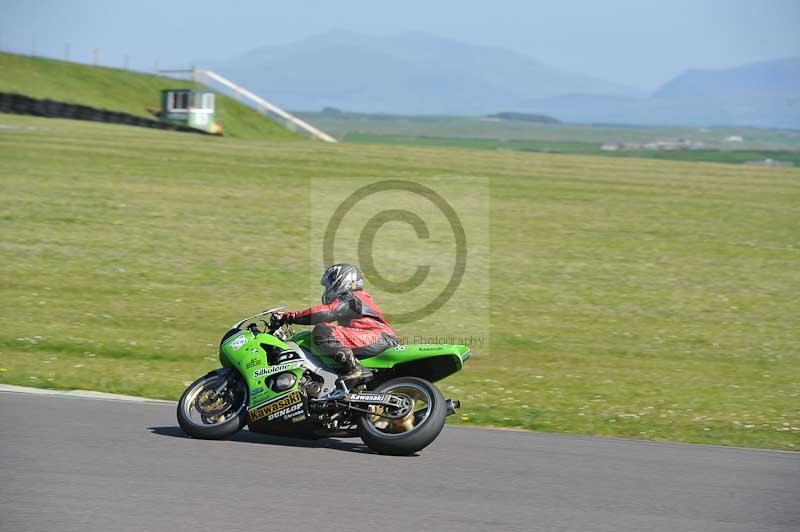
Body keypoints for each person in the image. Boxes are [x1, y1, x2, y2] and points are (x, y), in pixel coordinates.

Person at [275, 264, 398, 384]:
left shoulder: (353, 297)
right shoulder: (356, 298)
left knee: (323, 331)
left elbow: (326, 312)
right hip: (375, 337)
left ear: (342, 281)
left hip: (378, 336)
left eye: (329, 284)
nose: (327, 289)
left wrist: (289, 317)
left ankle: (356, 369)